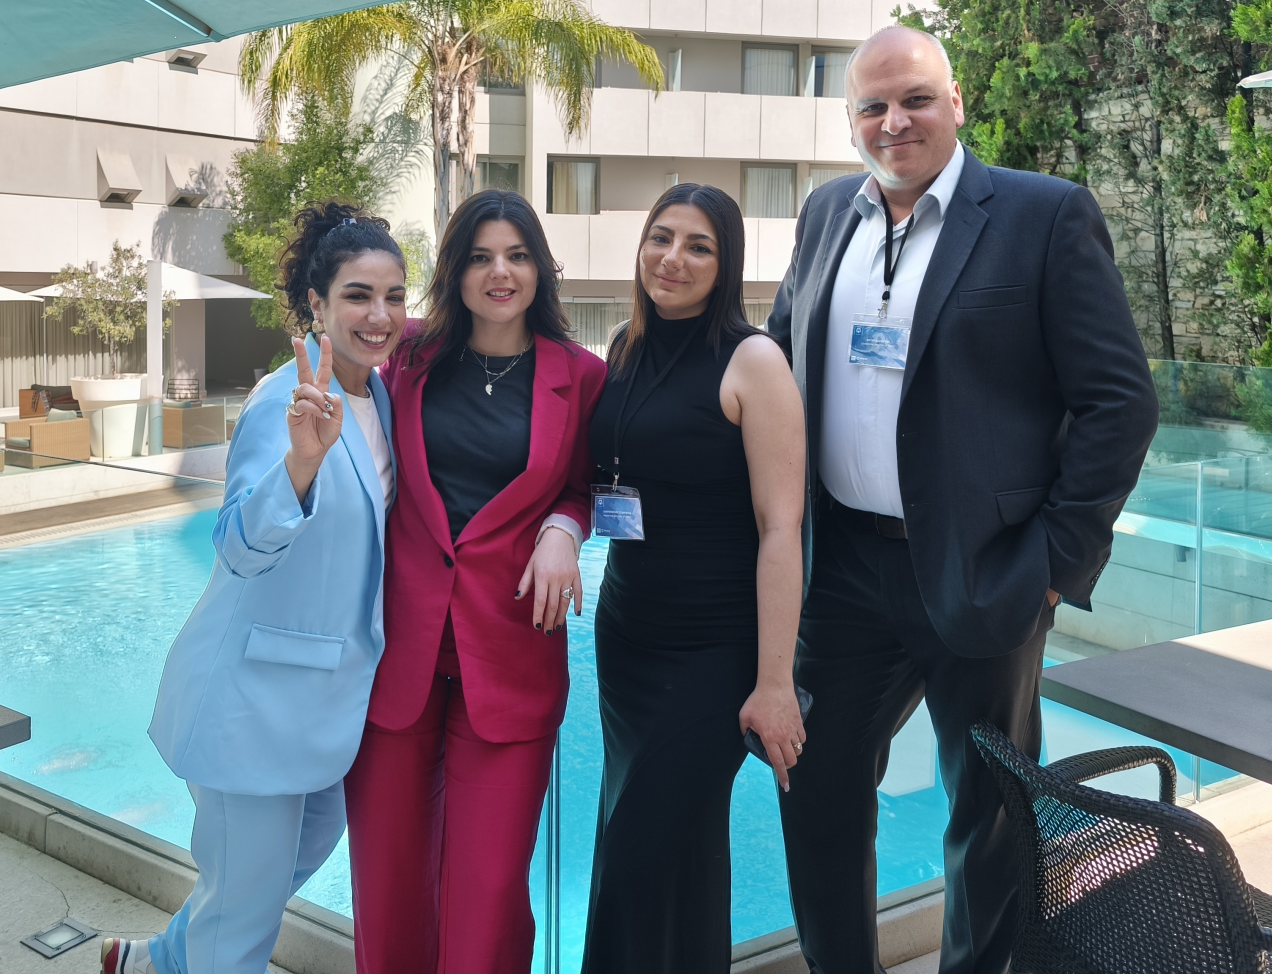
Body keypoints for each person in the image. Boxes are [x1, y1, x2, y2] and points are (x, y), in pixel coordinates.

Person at [768, 25, 1158, 974]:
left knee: (989, 815)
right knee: (813, 787)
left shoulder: (1043, 214)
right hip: (841, 571)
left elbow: (1118, 402)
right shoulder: (825, 213)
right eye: (871, 105)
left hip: (987, 567)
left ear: (954, 102)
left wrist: (1054, 561)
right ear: (849, 120)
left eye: (914, 99)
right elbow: (777, 360)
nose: (893, 121)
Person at [100, 203, 409, 974]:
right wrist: (300, 465)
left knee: (267, 878)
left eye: (393, 296)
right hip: (253, 702)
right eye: (357, 295)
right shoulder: (285, 400)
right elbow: (239, 546)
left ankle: (155, 961)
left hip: (325, 702)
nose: (379, 315)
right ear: (315, 305)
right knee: (243, 917)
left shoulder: (382, 396)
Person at [344, 189, 608, 974]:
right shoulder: (407, 353)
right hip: (398, 656)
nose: (501, 273)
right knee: (386, 885)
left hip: (512, 655)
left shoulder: (581, 377)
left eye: (517, 256)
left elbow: (589, 486)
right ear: (454, 270)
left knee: (487, 894)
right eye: (481, 256)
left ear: (540, 269)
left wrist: (564, 529)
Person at [581, 184, 807, 974]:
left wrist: (773, 684)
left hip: (711, 652)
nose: (672, 258)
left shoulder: (753, 361)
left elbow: (781, 529)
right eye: (661, 237)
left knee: (643, 853)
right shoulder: (624, 346)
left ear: (725, 263)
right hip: (627, 639)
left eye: (698, 246)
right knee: (656, 851)